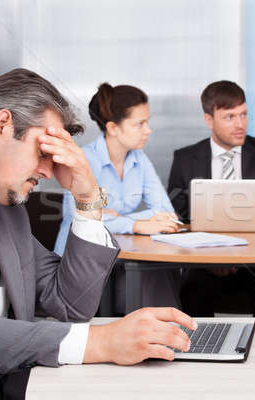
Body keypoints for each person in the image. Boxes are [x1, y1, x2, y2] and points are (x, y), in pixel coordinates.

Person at [0, 68, 196, 400]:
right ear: (2, 125)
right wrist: (102, 341)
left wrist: (88, 199)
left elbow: (69, 305)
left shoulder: (6, 207)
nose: (48, 172)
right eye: (43, 152)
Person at [167, 80, 255, 317]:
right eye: (229, 117)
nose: (240, 124)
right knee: (191, 291)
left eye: (243, 115)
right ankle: (198, 351)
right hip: (205, 264)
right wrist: (212, 259)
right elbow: (176, 216)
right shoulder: (185, 158)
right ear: (208, 120)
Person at [54, 83, 181, 314]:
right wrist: (135, 224)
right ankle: (166, 339)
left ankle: (168, 340)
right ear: (113, 128)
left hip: (120, 258)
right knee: (148, 279)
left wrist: (116, 217)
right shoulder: (85, 160)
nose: (148, 130)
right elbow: (79, 216)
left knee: (156, 272)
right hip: (82, 263)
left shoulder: (139, 159)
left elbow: (165, 211)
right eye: (139, 123)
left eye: (147, 122)